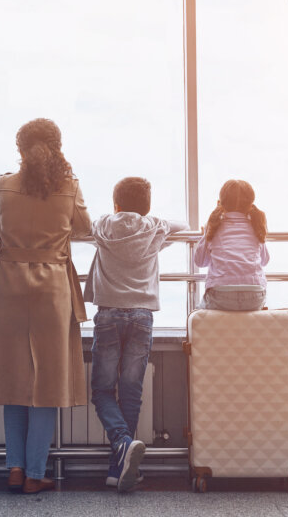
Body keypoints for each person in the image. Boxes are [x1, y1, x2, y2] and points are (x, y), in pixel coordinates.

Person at [0, 118, 91, 494]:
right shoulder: (69, 187)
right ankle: (35, 473)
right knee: (47, 382)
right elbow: (85, 229)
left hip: (8, 283)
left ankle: (14, 468)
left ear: (20, 149)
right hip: (52, 286)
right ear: (57, 147)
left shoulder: (4, 184)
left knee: (12, 378)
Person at [84, 177, 189, 491]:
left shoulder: (103, 226)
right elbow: (183, 225)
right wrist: (153, 220)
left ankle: (121, 447)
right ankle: (120, 466)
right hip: (142, 315)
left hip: (108, 315)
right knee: (130, 392)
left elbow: (79, 227)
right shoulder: (154, 228)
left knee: (102, 391)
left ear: (115, 205)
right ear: (147, 207)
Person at [194, 179, 269, 310]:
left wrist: (205, 234)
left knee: (197, 310)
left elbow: (200, 262)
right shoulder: (256, 226)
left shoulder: (214, 226)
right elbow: (265, 260)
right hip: (254, 296)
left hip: (220, 296)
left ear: (221, 203)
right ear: (250, 205)